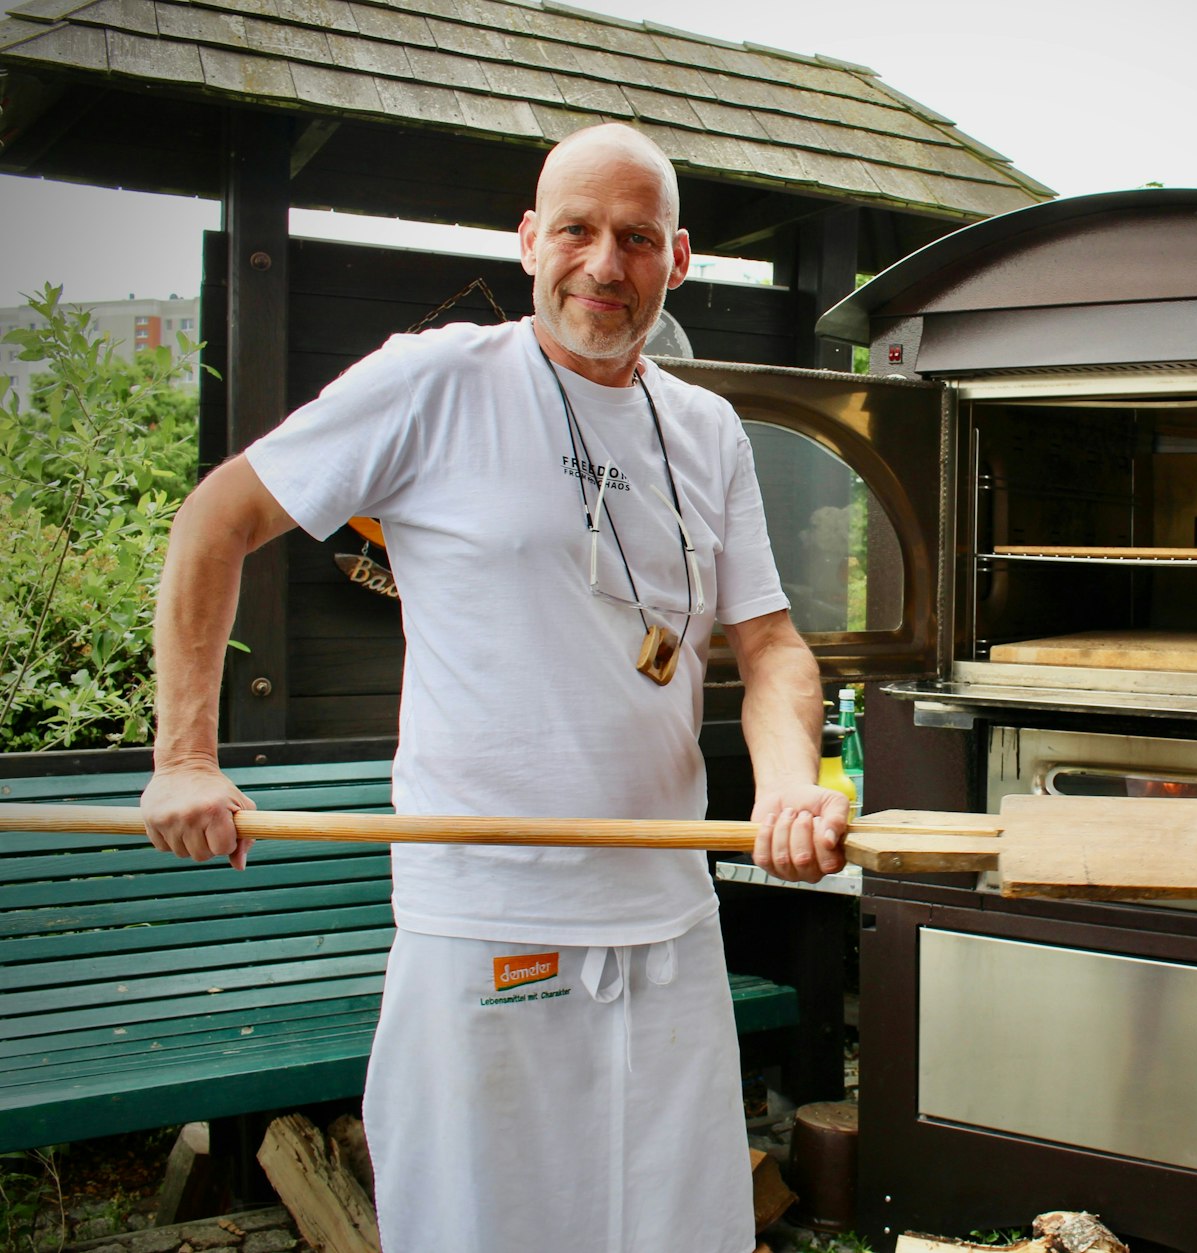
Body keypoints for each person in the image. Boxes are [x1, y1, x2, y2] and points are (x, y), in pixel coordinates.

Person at [139, 123, 851, 1253]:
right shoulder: (433, 380)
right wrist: (184, 757)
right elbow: (214, 520)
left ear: (677, 259)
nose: (603, 264)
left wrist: (787, 786)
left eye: (636, 238)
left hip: (667, 921)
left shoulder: (706, 429)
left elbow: (767, 645)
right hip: (487, 920)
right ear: (528, 240)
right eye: (576, 230)